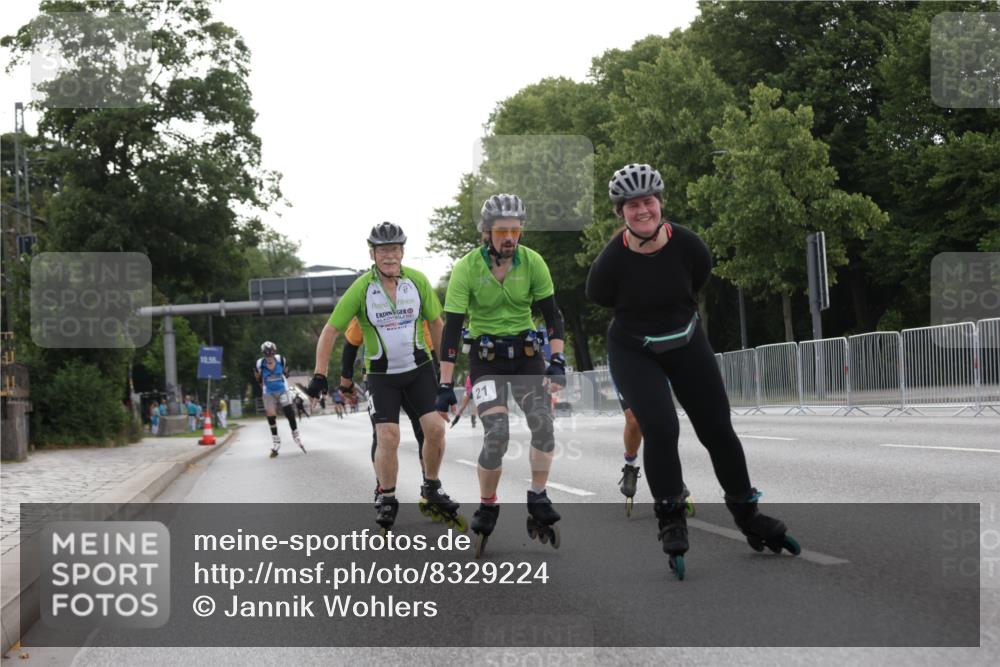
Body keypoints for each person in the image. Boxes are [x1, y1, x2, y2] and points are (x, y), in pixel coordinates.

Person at [585, 163, 800, 579]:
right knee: (662, 428)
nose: (642, 210)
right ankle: (670, 518)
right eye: (632, 205)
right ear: (620, 213)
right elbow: (600, 297)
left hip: (686, 341)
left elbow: (697, 280)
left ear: (661, 203)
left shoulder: (689, 245)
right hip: (635, 350)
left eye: (648, 201)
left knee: (718, 428)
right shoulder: (610, 263)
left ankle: (748, 514)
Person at [436, 193, 568, 557]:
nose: (509, 237)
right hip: (487, 360)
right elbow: (451, 331)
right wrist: (445, 384)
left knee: (543, 423)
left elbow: (552, 316)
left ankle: (538, 498)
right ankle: (487, 503)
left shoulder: (533, 262)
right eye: (501, 231)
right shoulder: (466, 268)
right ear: (486, 232)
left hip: (526, 357)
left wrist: (557, 360)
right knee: (497, 434)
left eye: (515, 229)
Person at [307, 222, 461, 532]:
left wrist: (446, 376)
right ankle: (387, 496)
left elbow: (438, 326)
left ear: (402, 252)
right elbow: (331, 331)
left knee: (435, 430)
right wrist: (320, 375)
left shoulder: (417, 281)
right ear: (372, 254)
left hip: (419, 370)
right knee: (388, 436)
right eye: (382, 251)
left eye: (394, 250)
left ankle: (431, 487)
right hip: (381, 375)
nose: (389, 256)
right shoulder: (363, 288)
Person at [340, 315, 436, 505]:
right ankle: (382, 488)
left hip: (414, 374)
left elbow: (429, 344)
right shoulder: (368, 300)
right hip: (378, 377)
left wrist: (439, 375)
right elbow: (350, 344)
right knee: (383, 435)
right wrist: (346, 380)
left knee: (425, 430)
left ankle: (430, 486)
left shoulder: (413, 300)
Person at [255, 341, 306, 457]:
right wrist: (263, 388)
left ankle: (296, 435)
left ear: (274, 353)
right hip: (268, 392)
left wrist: (283, 374)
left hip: (283, 389)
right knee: (271, 416)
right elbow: (258, 379)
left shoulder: (281, 360)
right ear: (263, 354)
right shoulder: (259, 363)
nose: (269, 357)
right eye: (266, 354)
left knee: (289, 412)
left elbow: (286, 374)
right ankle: (276, 441)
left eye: (271, 354)